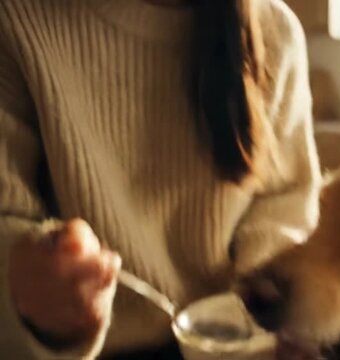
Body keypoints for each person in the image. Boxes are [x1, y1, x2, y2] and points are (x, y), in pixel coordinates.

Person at [0, 0, 321, 358]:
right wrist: (35, 289)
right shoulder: (16, 19)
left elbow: (283, 209)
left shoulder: (274, 30)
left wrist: (267, 314)